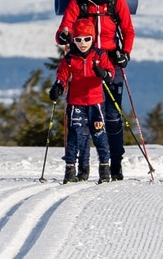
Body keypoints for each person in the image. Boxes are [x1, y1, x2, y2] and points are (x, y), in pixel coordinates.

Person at [56, 0, 134, 180]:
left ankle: (115, 164)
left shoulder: (115, 1)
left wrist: (125, 53)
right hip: (84, 64)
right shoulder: (78, 3)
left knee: (112, 116)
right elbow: (64, 28)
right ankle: (81, 167)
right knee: (80, 118)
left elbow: (128, 30)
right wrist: (64, 35)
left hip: (109, 61)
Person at [48, 19, 117, 183]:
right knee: (75, 136)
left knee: (99, 135)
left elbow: (111, 73)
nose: (82, 43)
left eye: (87, 39)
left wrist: (104, 74)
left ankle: (104, 169)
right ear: (73, 40)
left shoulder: (99, 55)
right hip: (76, 103)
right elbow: (61, 76)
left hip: (96, 102)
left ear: (92, 38)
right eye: (78, 39)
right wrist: (58, 87)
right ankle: (72, 170)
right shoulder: (70, 59)